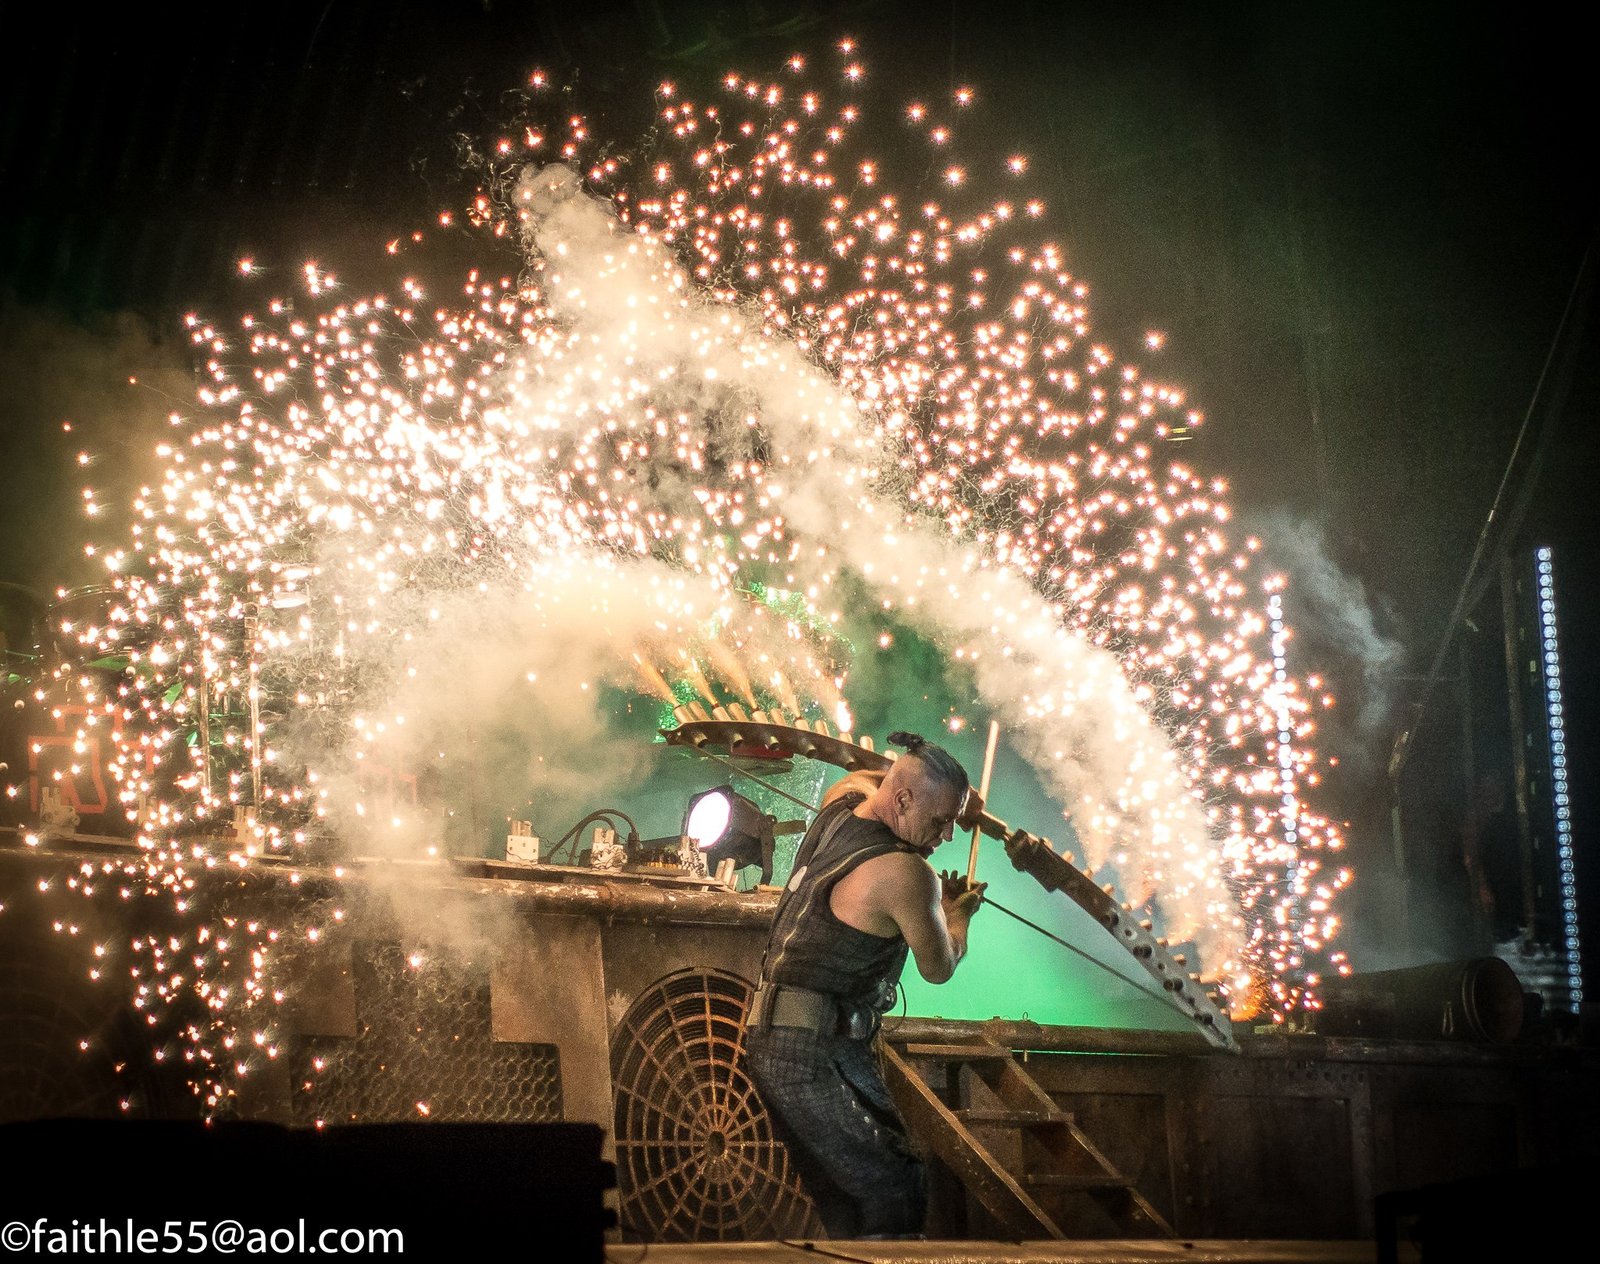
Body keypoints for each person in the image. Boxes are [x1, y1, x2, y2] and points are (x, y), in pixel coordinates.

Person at [742, 730, 987, 1239]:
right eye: (942, 822)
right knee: (894, 1185)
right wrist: (956, 914)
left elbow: (870, 776)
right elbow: (938, 968)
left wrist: (950, 793)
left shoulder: (840, 805)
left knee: (848, 1203)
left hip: (772, 1040)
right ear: (901, 800)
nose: (947, 836)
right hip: (814, 1052)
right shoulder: (908, 874)